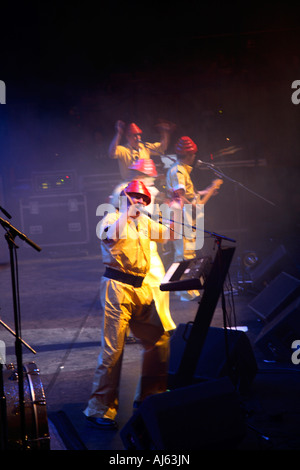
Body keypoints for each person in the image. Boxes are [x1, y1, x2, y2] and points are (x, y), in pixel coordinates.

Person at [84, 180, 174, 429]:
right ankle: (99, 409)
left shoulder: (144, 222)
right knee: (113, 350)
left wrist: (176, 213)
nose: (140, 202)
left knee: (159, 339)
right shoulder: (109, 219)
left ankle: (151, 395)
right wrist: (127, 212)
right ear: (121, 198)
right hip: (117, 288)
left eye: (143, 198)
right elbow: (111, 237)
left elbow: (168, 236)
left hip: (142, 288)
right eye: (134, 197)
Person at [166, 136, 220, 301]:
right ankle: (185, 291)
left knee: (183, 253)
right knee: (185, 254)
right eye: (194, 154)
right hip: (182, 217)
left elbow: (188, 194)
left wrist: (206, 191)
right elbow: (180, 196)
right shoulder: (179, 171)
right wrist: (196, 205)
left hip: (184, 216)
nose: (195, 157)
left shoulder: (181, 169)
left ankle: (181, 289)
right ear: (189, 155)